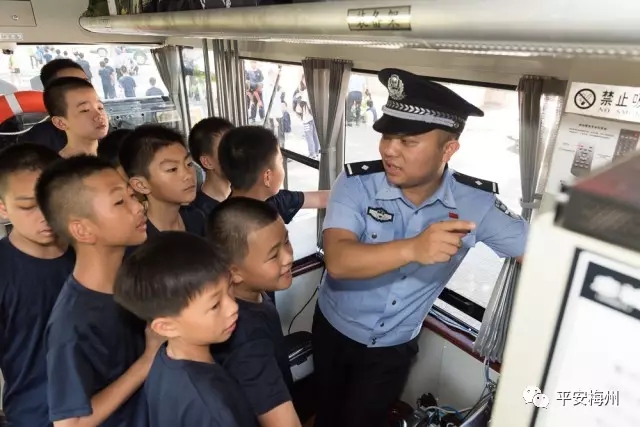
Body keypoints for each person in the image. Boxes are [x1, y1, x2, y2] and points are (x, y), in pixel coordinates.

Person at [313, 68, 529, 427]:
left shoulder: (476, 204)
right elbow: (337, 260)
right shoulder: (357, 184)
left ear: (449, 149)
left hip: (391, 349)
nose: (389, 151)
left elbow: (540, 255)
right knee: (328, 413)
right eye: (386, 137)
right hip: (334, 330)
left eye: (408, 141)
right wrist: (414, 248)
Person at [35, 155, 162, 427]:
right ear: (82, 229)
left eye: (132, 195)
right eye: (120, 202)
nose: (138, 207)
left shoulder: (133, 279)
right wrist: (147, 361)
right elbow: (70, 423)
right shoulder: (72, 323)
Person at [114, 231, 259, 427]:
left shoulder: (164, 360)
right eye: (215, 305)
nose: (233, 307)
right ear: (166, 326)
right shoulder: (211, 409)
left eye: (230, 287)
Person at [207, 197, 299, 427]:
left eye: (286, 241)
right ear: (234, 272)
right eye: (273, 255)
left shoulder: (252, 291)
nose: (288, 257)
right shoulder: (247, 343)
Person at [0, 144, 74, 427]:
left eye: (52, 200)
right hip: (37, 417)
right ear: (3, 208)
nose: (45, 215)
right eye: (28, 206)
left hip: (115, 408)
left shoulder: (96, 252)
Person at [218, 125, 329, 224]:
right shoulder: (235, 228)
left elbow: (321, 199)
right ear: (267, 177)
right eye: (280, 162)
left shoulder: (276, 200)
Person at [119, 124, 204, 238]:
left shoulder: (197, 219)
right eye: (172, 169)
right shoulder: (138, 241)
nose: (188, 175)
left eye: (189, 164)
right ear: (141, 185)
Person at [20, 59, 88, 151]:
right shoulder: (40, 137)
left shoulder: (101, 123)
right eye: (72, 85)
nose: (85, 89)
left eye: (86, 82)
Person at [43, 77, 109, 158]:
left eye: (100, 107)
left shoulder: (119, 157)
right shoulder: (58, 168)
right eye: (85, 110)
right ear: (60, 123)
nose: (99, 115)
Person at [188, 117, 234, 216]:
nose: (236, 154)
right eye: (226, 150)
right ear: (207, 162)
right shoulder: (198, 215)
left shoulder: (247, 196)